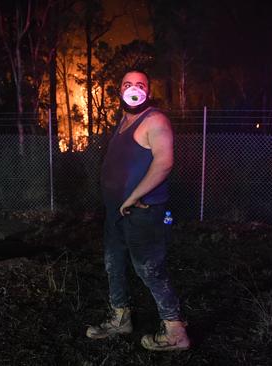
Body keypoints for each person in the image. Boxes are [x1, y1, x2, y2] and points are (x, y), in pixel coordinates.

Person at [86, 70, 190, 351]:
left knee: (149, 269)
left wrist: (134, 195)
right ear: (119, 89)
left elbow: (164, 162)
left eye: (140, 85)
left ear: (148, 90)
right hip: (117, 211)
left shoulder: (155, 120)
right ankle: (120, 318)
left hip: (142, 210)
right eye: (128, 85)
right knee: (114, 264)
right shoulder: (123, 120)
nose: (134, 89)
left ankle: (175, 331)